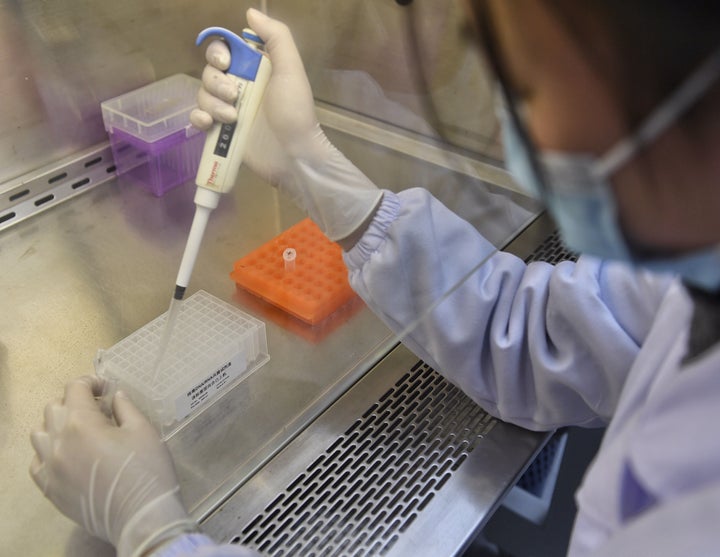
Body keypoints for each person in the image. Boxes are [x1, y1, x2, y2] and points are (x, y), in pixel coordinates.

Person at [30, 2, 720, 556]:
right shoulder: (693, 271)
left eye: (532, 77)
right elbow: (538, 334)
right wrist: (313, 168)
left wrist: (153, 534)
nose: (523, 126)